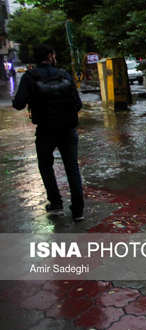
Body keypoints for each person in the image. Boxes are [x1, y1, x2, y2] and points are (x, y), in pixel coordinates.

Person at [12, 44, 85, 221]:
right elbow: (78, 104)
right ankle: (78, 210)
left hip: (45, 130)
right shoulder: (63, 74)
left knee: (45, 165)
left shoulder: (30, 77)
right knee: (72, 166)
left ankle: (56, 202)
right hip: (68, 129)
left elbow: (18, 104)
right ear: (50, 56)